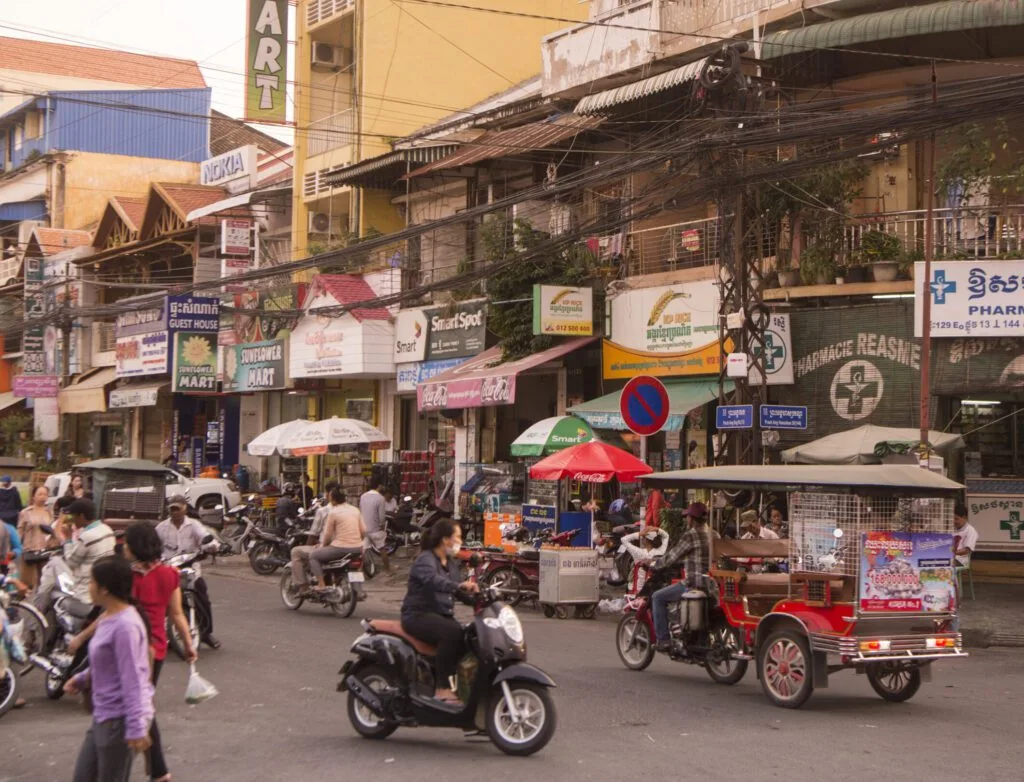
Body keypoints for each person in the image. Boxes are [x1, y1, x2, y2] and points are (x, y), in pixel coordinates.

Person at [70, 524, 195, 782]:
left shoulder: (127, 589)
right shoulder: (169, 574)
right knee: (142, 701)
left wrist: (82, 636)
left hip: (141, 652)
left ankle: (156, 764)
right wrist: (187, 643)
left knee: (139, 698)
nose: (123, 547)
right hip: (156, 648)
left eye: (126, 543)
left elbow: (133, 680)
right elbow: (177, 613)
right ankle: (158, 768)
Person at [65, 556, 154, 782]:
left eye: (92, 582)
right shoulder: (107, 617)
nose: (89, 586)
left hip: (120, 720)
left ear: (105, 589)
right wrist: (83, 678)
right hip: (103, 715)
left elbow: (133, 679)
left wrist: (135, 727)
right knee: (83, 776)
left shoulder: (126, 626)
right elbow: (106, 663)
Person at [401, 519, 478, 703]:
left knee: (470, 637)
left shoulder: (450, 563)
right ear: (445, 540)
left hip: (440, 614)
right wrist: (459, 585)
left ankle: (460, 686)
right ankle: (442, 688)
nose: (460, 541)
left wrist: (478, 598)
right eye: (458, 537)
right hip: (418, 614)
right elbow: (435, 581)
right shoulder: (425, 560)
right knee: (452, 632)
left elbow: (457, 591)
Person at [155, 495, 221, 649]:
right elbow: (154, 545)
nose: (175, 512)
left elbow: (206, 538)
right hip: (168, 569)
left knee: (203, 597)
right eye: (172, 509)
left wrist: (212, 545)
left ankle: (206, 634)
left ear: (185, 508)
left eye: (178, 508)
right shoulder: (161, 528)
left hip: (190, 568)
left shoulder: (194, 525)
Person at [36, 498, 116, 614]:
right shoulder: (107, 530)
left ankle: (38, 609)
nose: (72, 520)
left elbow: (71, 563)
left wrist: (67, 539)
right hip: (101, 579)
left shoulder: (87, 536)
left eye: (74, 516)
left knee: (53, 562)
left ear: (82, 517)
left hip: (85, 584)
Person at [651, 502, 711, 652]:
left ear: (692, 518)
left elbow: (673, 555)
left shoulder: (691, 535)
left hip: (693, 583)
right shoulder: (713, 534)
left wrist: (655, 565)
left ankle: (663, 640)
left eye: (688, 517)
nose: (686, 520)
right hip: (711, 584)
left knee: (657, 597)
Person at [306, 488, 366, 598]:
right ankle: (358, 589)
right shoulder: (355, 510)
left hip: (340, 548)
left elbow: (328, 535)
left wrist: (323, 546)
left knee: (313, 556)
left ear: (332, 500)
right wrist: (357, 541)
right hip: (358, 548)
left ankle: (321, 584)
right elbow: (363, 531)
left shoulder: (333, 512)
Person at [289, 487, 336, 591]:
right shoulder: (352, 510)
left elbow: (315, 533)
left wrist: (312, 544)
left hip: (331, 548)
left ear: (329, 495)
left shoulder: (324, 511)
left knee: (297, 552)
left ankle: (304, 586)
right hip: (352, 547)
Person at [17, 484, 59, 589]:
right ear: (33, 496)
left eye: (45, 494)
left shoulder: (49, 512)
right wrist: (18, 547)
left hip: (45, 550)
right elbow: (20, 531)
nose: (42, 496)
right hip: (30, 549)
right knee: (28, 581)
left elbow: (52, 530)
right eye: (39, 494)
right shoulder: (26, 512)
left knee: (44, 580)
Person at [620, 527, 669, 594]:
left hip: (638, 590)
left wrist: (639, 534)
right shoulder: (660, 552)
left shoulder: (638, 552)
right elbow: (666, 536)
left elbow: (623, 539)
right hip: (654, 589)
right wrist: (657, 529)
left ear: (645, 540)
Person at [360, 482, 390, 573]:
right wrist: (382, 526)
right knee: (382, 550)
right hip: (375, 529)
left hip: (364, 529)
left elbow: (361, 511)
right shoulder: (380, 498)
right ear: (379, 485)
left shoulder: (363, 496)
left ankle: (361, 572)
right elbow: (382, 517)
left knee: (363, 552)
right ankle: (388, 570)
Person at [953, 502, 978, 568]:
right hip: (950, 557)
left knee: (942, 563)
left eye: (956, 519)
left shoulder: (971, 530)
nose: (953, 521)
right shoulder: (952, 528)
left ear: (964, 517)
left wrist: (950, 553)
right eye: (952, 518)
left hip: (960, 560)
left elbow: (966, 550)